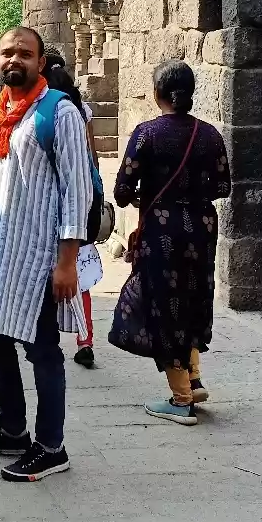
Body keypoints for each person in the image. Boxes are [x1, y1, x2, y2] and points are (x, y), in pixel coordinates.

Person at [0, 26, 93, 482]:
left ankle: (51, 446)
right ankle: (13, 429)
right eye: (6, 53)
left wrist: (67, 261)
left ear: (40, 61)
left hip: (37, 256)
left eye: (24, 53)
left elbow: (76, 192)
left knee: (41, 351)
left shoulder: (59, 114)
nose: (14, 60)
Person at [109, 61, 231, 425]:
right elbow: (223, 187)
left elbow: (122, 191)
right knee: (194, 297)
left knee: (160, 304)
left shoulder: (147, 133)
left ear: (158, 93)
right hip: (201, 228)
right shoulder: (210, 135)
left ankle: (180, 399)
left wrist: (151, 197)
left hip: (162, 232)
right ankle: (192, 377)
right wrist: (191, 194)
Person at [44, 50, 103, 371]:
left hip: (51, 201)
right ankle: (85, 338)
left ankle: (48, 337)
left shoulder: (45, 110)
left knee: (47, 272)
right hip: (84, 196)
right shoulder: (82, 112)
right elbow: (92, 158)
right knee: (79, 273)